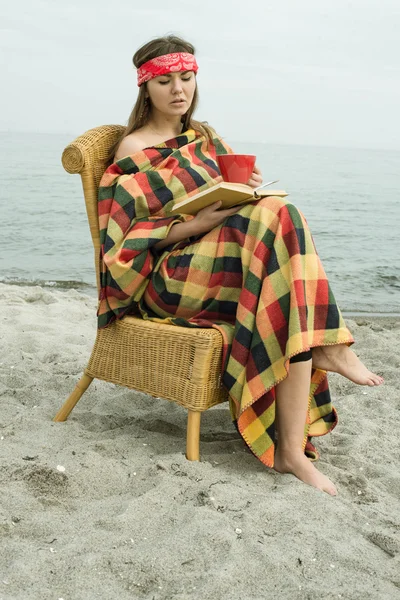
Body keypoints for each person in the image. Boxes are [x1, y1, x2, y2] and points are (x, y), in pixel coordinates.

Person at [98, 35, 384, 496]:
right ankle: (329, 349)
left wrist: (245, 187)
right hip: (169, 278)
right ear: (145, 87)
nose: (179, 90)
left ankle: (292, 452)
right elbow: (126, 242)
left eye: (187, 78)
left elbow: (225, 198)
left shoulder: (204, 137)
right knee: (279, 219)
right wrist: (198, 223)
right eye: (166, 81)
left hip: (216, 262)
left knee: (277, 227)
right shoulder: (133, 148)